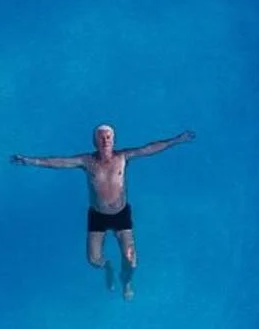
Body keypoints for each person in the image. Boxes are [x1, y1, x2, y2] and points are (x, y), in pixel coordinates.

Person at [11, 123, 195, 296]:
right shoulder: (86, 161)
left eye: (108, 137)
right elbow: (57, 162)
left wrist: (176, 140)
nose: (105, 140)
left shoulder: (122, 157)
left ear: (113, 140)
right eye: (101, 137)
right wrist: (29, 161)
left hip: (121, 214)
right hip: (97, 216)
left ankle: (126, 282)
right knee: (93, 260)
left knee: (131, 262)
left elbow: (149, 148)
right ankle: (108, 267)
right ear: (95, 141)